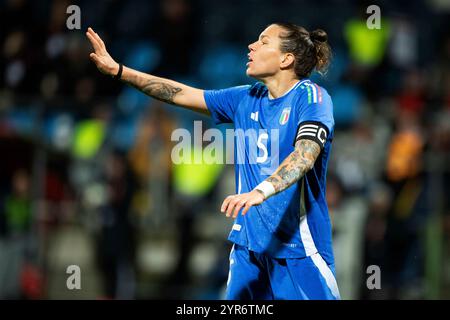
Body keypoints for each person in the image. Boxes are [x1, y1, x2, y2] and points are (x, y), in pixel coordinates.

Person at [86, 22, 340, 300]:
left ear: (286, 59)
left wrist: (260, 191)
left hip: (298, 248)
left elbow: (305, 155)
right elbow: (179, 93)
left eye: (264, 41)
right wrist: (119, 71)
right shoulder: (245, 97)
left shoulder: (311, 97)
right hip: (248, 248)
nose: (251, 46)